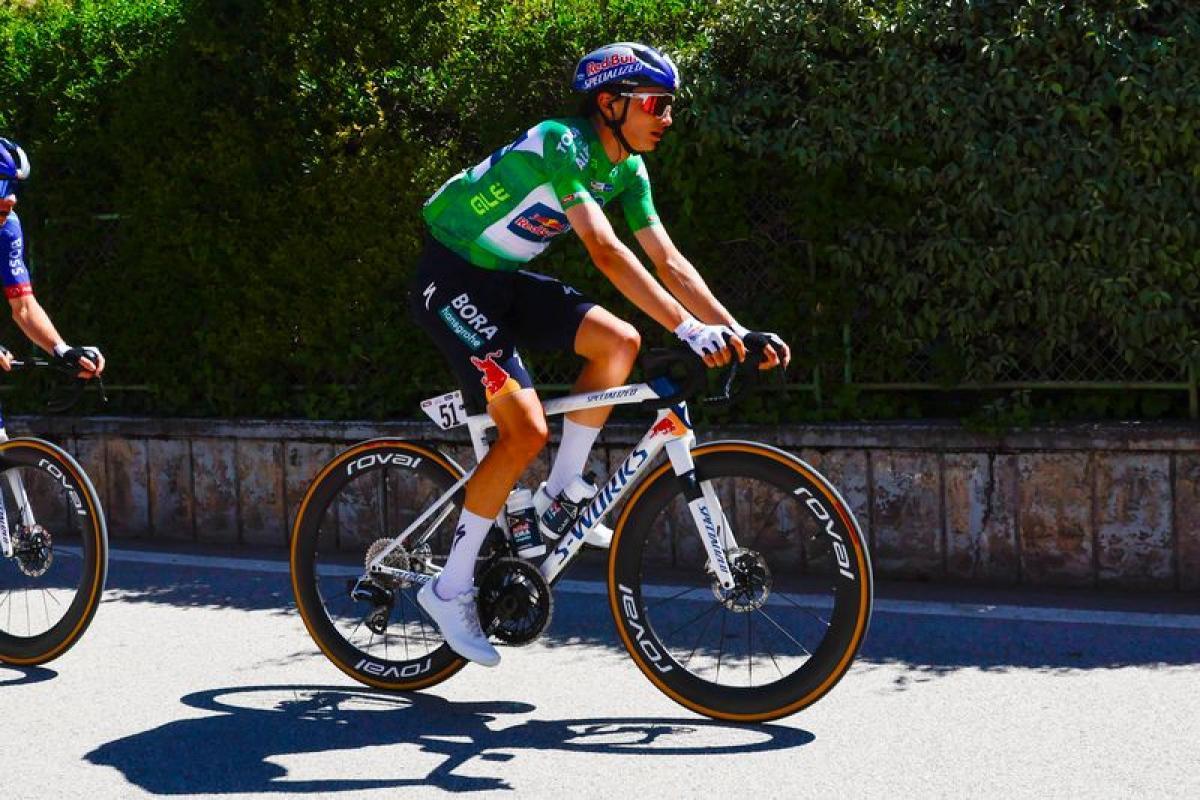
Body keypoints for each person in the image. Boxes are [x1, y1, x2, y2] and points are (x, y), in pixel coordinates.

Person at [408, 43, 789, 666]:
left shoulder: (629, 171)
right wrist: (689, 330)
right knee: (525, 430)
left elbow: (668, 261)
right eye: (656, 104)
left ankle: (560, 495)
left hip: (502, 280)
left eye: (670, 105)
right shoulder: (563, 142)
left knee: (621, 342)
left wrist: (736, 332)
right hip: (450, 279)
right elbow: (606, 252)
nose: (667, 118)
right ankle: (448, 590)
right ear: (611, 103)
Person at [0, 138, 105, 380]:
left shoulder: (7, 229)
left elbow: (24, 307)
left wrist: (62, 350)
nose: (12, 199)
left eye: (16, 188)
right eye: (2, 186)